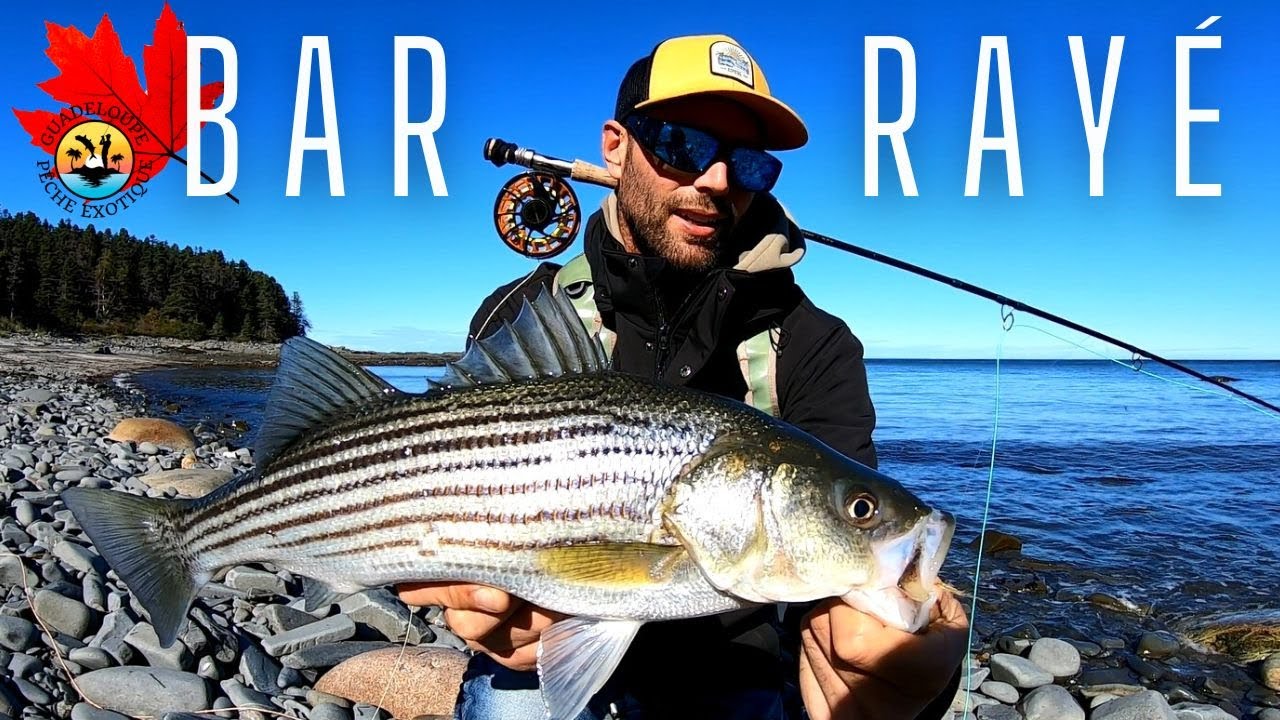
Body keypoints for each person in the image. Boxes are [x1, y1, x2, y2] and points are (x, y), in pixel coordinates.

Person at [399, 34, 968, 719]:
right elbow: (441, 506)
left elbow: (830, 578)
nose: (718, 181)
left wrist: (892, 675)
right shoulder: (522, 313)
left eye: (750, 163)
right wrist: (474, 601)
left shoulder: (818, 347)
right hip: (551, 640)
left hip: (739, 662)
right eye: (680, 144)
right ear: (616, 145)